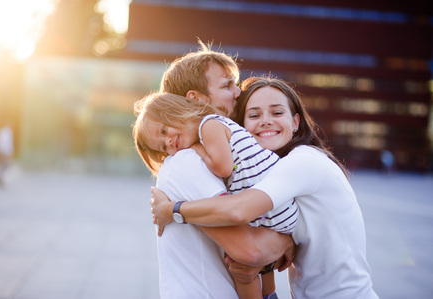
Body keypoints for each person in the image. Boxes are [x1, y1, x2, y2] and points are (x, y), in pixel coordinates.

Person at [150, 77, 379, 299]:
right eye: (254, 115)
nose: (266, 121)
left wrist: (171, 211)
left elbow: (239, 211)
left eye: (277, 112)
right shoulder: (268, 170)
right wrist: (275, 253)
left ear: (296, 122)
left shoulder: (304, 161)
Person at [136, 42, 296, 298]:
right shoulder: (189, 161)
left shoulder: (213, 145)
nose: (237, 92)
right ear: (195, 98)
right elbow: (250, 251)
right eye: (226, 85)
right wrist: (287, 241)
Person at [0, 122, 14, 187]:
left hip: (5, 151)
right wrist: (3, 152)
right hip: (3, 151)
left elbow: (9, 143)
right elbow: (2, 142)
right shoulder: (3, 131)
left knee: (5, 165)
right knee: (5, 164)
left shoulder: (8, 131)